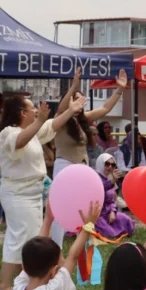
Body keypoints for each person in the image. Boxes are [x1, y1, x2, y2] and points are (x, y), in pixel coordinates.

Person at [0, 93, 85, 290]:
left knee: (31, 237)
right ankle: (3, 286)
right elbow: (19, 141)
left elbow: (53, 126)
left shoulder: (33, 131)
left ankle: (27, 281)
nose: (36, 110)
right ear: (22, 113)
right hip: (17, 194)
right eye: (32, 108)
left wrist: (71, 110)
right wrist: (39, 121)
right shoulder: (8, 133)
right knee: (18, 238)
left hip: (33, 193)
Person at [50, 69, 127, 244]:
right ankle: (56, 244)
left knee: (82, 207)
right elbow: (62, 108)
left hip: (81, 169)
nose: (79, 102)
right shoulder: (61, 119)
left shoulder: (83, 120)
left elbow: (106, 108)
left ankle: (82, 241)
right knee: (60, 207)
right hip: (64, 166)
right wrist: (74, 86)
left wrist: (119, 89)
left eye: (80, 99)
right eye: (74, 99)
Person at [93, 154, 134, 238]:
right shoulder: (94, 177)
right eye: (107, 164)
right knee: (110, 234)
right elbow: (99, 189)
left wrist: (112, 211)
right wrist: (112, 182)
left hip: (108, 214)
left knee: (127, 221)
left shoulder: (109, 178)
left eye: (113, 165)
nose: (110, 167)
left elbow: (112, 200)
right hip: (97, 216)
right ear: (101, 163)